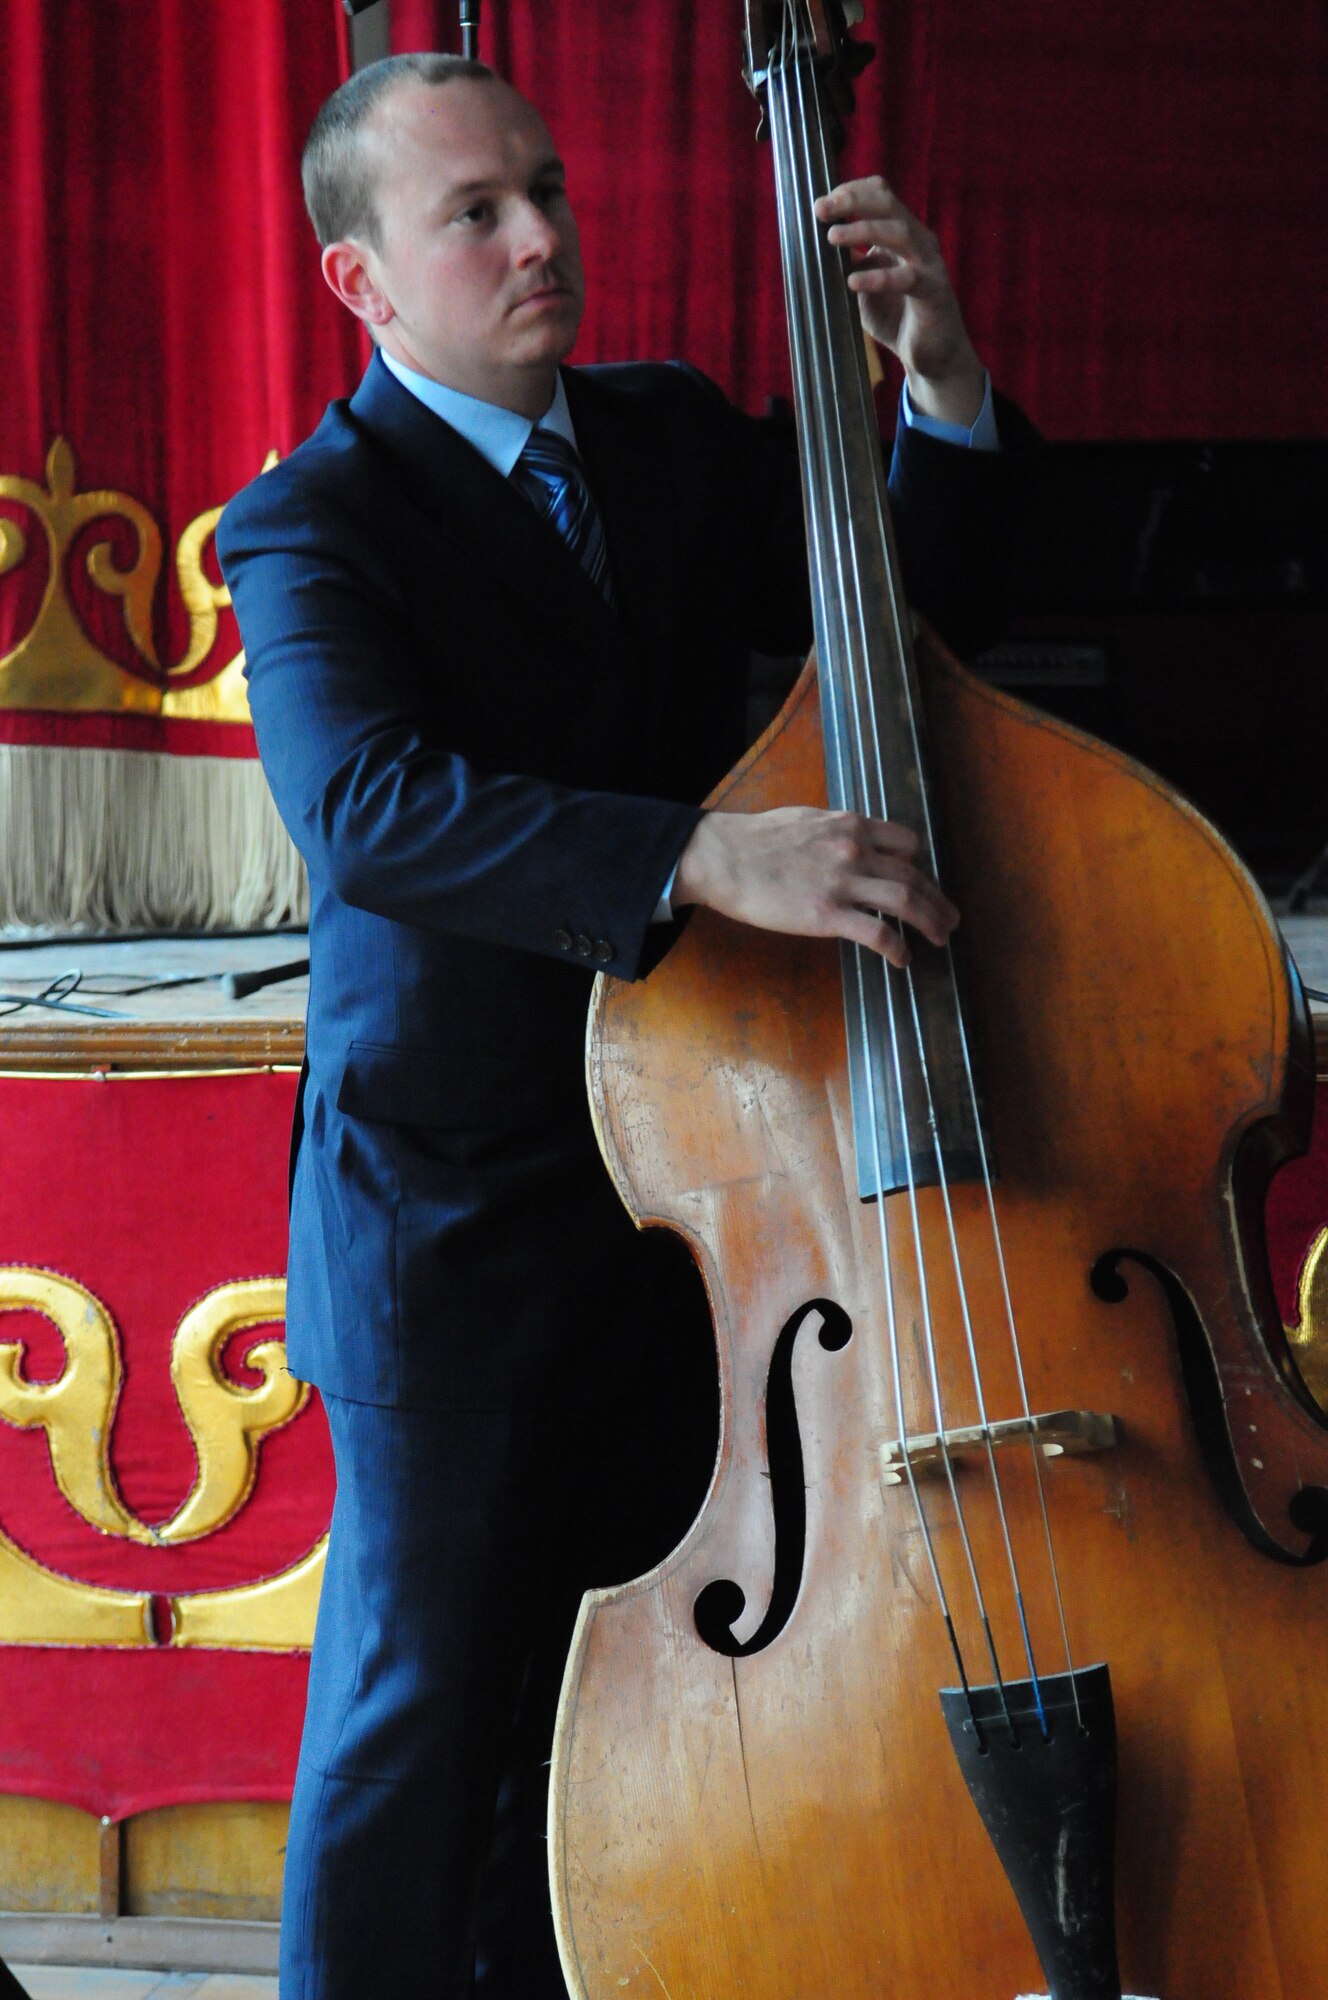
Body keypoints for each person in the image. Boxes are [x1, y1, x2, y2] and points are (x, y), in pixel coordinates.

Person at [218, 50, 1035, 2000]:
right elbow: (375, 813)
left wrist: (933, 385)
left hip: (700, 1195)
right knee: (419, 1728)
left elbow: (909, 616)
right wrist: (702, 855)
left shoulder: (663, 436)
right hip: (458, 1214)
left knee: (620, 1691)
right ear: (364, 282)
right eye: (475, 213)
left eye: (548, 192)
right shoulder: (308, 521)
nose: (536, 239)